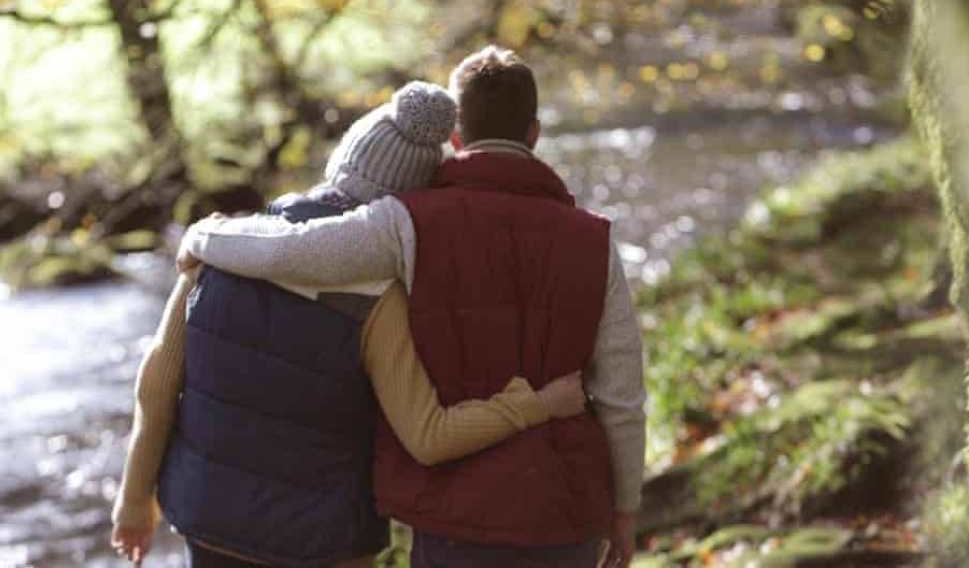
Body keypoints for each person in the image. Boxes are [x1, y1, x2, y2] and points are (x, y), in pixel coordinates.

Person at [178, 47, 648, 568]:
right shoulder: (595, 241)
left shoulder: (405, 222)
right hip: (566, 513)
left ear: (454, 139)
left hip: (454, 513)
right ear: (534, 133)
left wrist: (204, 235)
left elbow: (292, 250)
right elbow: (622, 397)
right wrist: (624, 513)